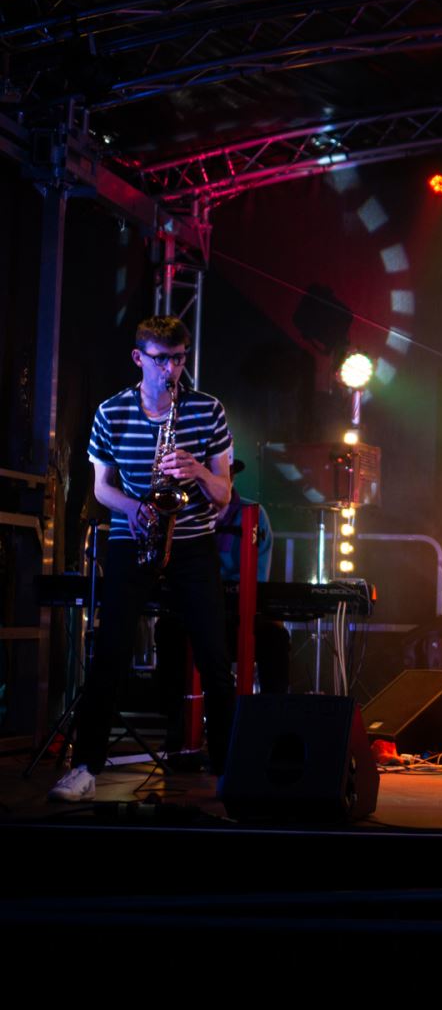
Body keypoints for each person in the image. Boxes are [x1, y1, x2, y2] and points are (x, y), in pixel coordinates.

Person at [50, 316, 236, 802]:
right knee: (110, 651)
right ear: (139, 358)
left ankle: (231, 769)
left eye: (178, 359)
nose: (171, 370)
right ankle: (85, 767)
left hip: (192, 541)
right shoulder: (111, 412)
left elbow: (223, 494)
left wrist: (197, 470)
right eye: (161, 360)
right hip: (134, 537)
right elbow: (101, 488)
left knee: (215, 658)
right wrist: (134, 508)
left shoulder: (207, 410)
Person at [156, 461, 291, 759]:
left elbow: (256, 580)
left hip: (234, 618)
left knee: (275, 640)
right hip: (192, 616)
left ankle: (271, 731)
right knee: (166, 631)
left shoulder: (253, 514)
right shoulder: (182, 512)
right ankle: (176, 727)